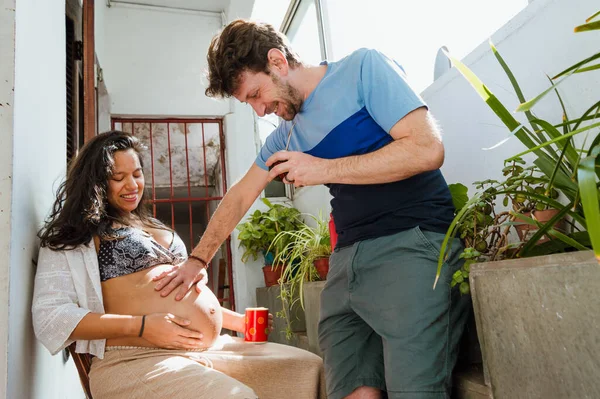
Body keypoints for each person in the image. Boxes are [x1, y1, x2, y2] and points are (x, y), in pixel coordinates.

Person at [153, 19, 470, 399]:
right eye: (249, 103)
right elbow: (239, 197)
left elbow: (426, 149)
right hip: (346, 265)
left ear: (278, 61)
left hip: (412, 243)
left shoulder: (362, 69)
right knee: (352, 392)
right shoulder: (284, 135)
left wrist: (322, 169)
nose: (259, 110)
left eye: (256, 94)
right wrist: (197, 261)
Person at [32, 131, 326, 399]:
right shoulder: (77, 236)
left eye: (137, 173)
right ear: (95, 183)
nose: (132, 185)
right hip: (134, 358)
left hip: (208, 349)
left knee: (309, 369)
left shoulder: (149, 223)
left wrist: (236, 321)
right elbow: (51, 315)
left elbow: (172, 293)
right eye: (118, 177)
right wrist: (142, 327)